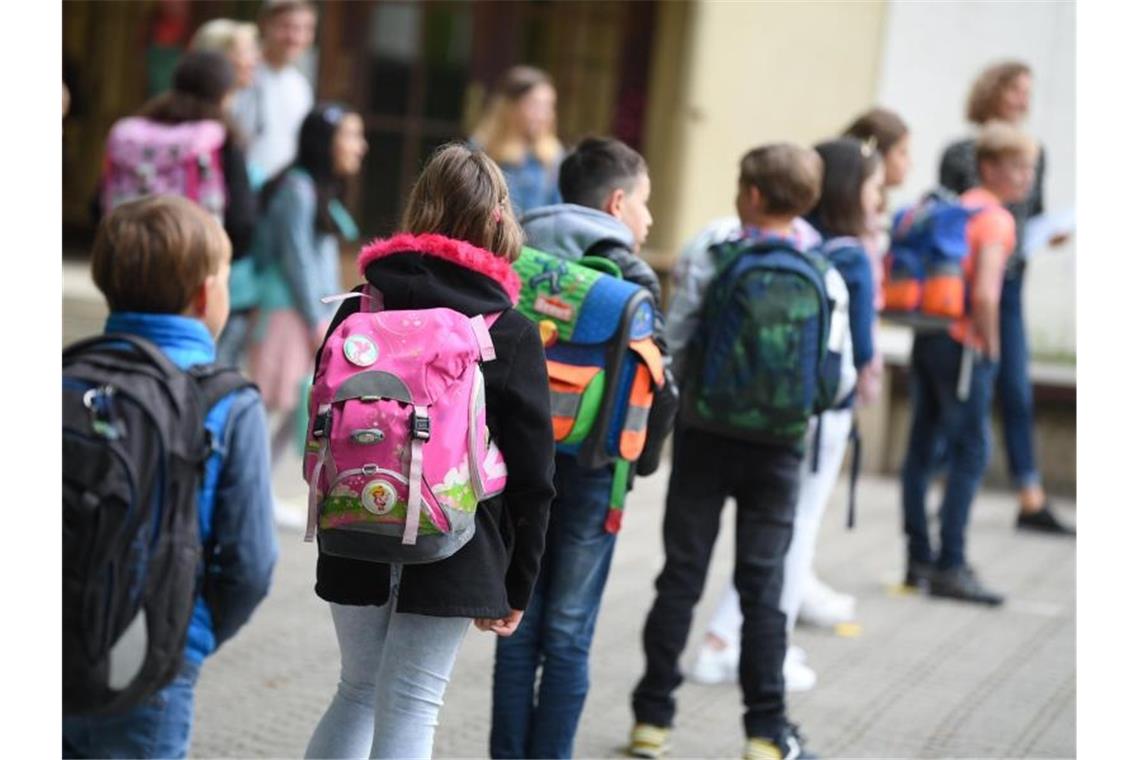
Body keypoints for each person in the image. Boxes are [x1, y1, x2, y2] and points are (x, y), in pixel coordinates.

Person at [303, 143, 556, 760]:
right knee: (413, 704)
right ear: (498, 220)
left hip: (354, 518)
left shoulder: (357, 310)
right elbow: (535, 477)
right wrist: (518, 585)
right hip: (456, 542)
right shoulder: (508, 330)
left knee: (357, 690)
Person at [62, 196, 277, 759]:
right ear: (207, 296)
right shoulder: (227, 401)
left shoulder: (67, 377)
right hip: (153, 657)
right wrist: (189, 635)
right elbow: (251, 564)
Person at [629, 143, 824, 760]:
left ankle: (652, 721)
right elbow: (836, 377)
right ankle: (765, 732)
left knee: (681, 576)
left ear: (753, 196)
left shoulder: (713, 255)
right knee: (763, 588)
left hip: (707, 436)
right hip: (780, 449)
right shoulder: (824, 270)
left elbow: (677, 342)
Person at [491, 136, 673, 759]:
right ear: (618, 202)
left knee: (516, 624)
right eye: (646, 203)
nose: (649, 219)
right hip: (595, 472)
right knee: (567, 634)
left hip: (514, 466)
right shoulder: (631, 275)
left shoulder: (516, 255)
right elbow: (659, 392)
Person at [689, 139, 884, 694]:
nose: (879, 200)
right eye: (873, 188)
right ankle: (734, 647)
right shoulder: (842, 258)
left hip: (725, 417)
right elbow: (856, 354)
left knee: (740, 543)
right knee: (792, 534)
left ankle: (725, 643)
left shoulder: (741, 242)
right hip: (812, 420)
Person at [902, 121, 1039, 606]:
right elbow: (985, 293)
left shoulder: (956, 209)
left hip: (930, 336)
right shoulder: (998, 219)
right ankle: (951, 563)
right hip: (964, 344)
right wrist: (993, 345)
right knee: (971, 450)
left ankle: (918, 556)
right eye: (1018, 167)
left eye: (1030, 168)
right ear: (989, 167)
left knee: (922, 445)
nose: (1026, 177)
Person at [938, 61, 1073, 536]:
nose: (1023, 100)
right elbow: (951, 224)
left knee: (1015, 388)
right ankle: (948, 487)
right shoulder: (960, 153)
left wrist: (1048, 235)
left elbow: (1030, 216)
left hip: (1011, 284)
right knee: (965, 383)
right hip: (970, 288)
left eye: (1027, 92)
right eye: (1016, 90)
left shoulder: (1037, 151)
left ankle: (1029, 494)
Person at [247, 103, 366, 466]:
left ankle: (262, 489)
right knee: (270, 403)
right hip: (286, 313)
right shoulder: (298, 189)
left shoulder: (312, 188)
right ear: (326, 142)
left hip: (301, 312)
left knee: (298, 403)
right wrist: (318, 319)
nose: (360, 145)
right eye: (351, 135)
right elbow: (297, 260)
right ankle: (251, 489)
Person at [105, 50, 258, 257]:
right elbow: (242, 220)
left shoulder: (130, 135)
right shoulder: (218, 139)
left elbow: (99, 201)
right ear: (224, 93)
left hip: (125, 255)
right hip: (193, 259)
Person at [190, 19, 266, 369]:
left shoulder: (237, 109)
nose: (253, 59)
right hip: (214, 264)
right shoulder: (213, 125)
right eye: (243, 53)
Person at [232, 0, 316, 179]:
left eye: (304, 29)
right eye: (286, 27)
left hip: (279, 190)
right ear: (264, 25)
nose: (295, 38)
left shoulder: (301, 85)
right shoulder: (243, 73)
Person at [471, 65, 564, 217]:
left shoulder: (553, 154)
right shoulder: (481, 148)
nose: (543, 115)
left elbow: (559, 210)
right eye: (535, 105)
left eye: (548, 106)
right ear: (510, 107)